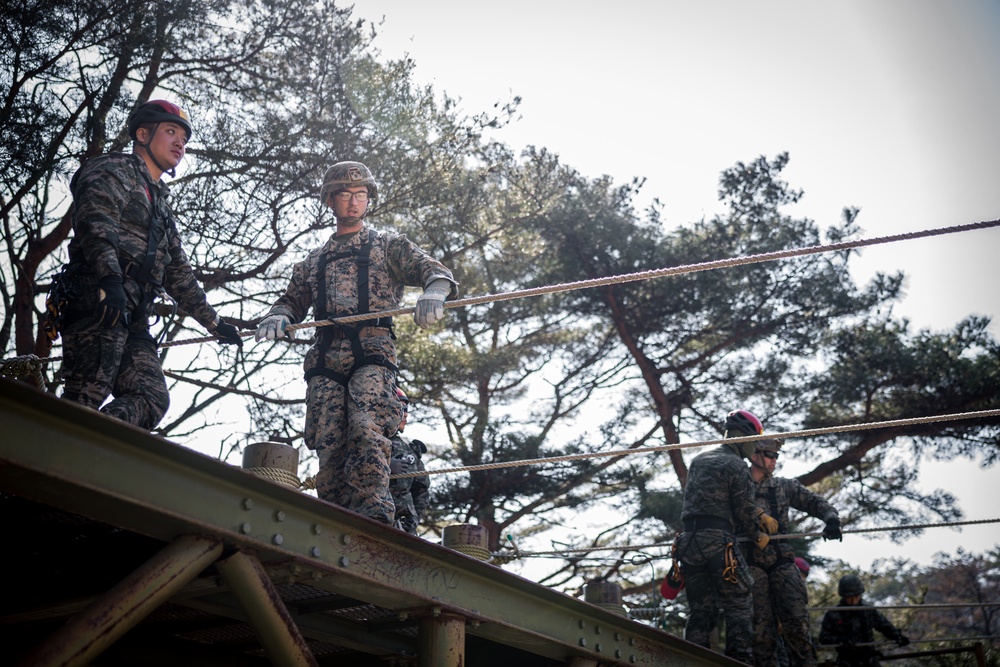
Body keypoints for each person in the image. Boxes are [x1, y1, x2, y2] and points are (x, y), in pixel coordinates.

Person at [254, 161, 456, 525]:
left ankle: (373, 518)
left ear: (368, 201)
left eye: (361, 195)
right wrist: (278, 315)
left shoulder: (386, 247)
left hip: (373, 352)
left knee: (366, 428)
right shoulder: (313, 262)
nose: (353, 202)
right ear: (330, 200)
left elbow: (435, 272)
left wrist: (434, 293)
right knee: (329, 443)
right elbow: (291, 301)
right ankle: (332, 520)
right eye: (345, 195)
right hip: (325, 358)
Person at [54, 100, 242, 429]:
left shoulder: (161, 205)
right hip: (98, 298)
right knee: (86, 393)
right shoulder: (112, 168)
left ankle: (88, 447)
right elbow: (95, 224)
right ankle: (47, 453)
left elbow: (179, 274)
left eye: (184, 137)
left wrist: (215, 324)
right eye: (171, 132)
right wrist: (110, 281)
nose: (180, 143)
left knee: (151, 397)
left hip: (136, 315)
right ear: (142, 134)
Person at [674, 409, 771, 665]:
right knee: (739, 603)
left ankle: (693, 660)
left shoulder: (699, 460)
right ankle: (739, 661)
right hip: (719, 543)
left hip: (689, 543)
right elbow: (743, 509)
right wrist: (757, 534)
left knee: (701, 610)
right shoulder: (736, 465)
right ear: (745, 438)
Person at [745, 438, 842, 667]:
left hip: (782, 564)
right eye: (770, 455)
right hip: (751, 566)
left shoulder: (782, 486)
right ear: (754, 455)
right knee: (760, 636)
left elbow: (814, 501)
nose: (774, 461)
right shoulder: (738, 488)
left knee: (798, 626)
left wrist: (831, 519)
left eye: (777, 456)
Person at [819, 575, 910, 667]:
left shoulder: (868, 610)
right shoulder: (834, 614)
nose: (853, 600)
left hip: (869, 659)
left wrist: (897, 636)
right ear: (843, 596)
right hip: (847, 660)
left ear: (861, 594)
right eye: (849, 597)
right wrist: (840, 640)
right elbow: (823, 638)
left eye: (856, 596)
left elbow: (884, 626)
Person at [389, 387, 431, 534]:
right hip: (375, 521)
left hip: (406, 529)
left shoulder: (410, 449)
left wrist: (413, 518)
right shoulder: (370, 440)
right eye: (402, 408)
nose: (406, 415)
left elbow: (421, 489)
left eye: (407, 409)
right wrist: (386, 468)